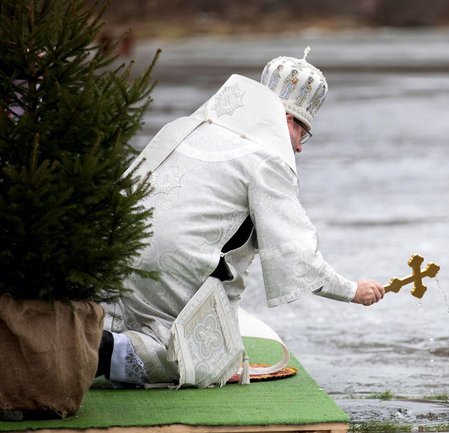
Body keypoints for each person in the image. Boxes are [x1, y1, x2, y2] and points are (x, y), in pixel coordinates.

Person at [97, 49, 385, 388]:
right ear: (288, 121)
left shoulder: (188, 127)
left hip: (113, 256)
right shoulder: (267, 159)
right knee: (206, 362)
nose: (300, 147)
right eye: (302, 133)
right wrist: (353, 291)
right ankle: (103, 353)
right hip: (171, 270)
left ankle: (89, 337)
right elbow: (297, 256)